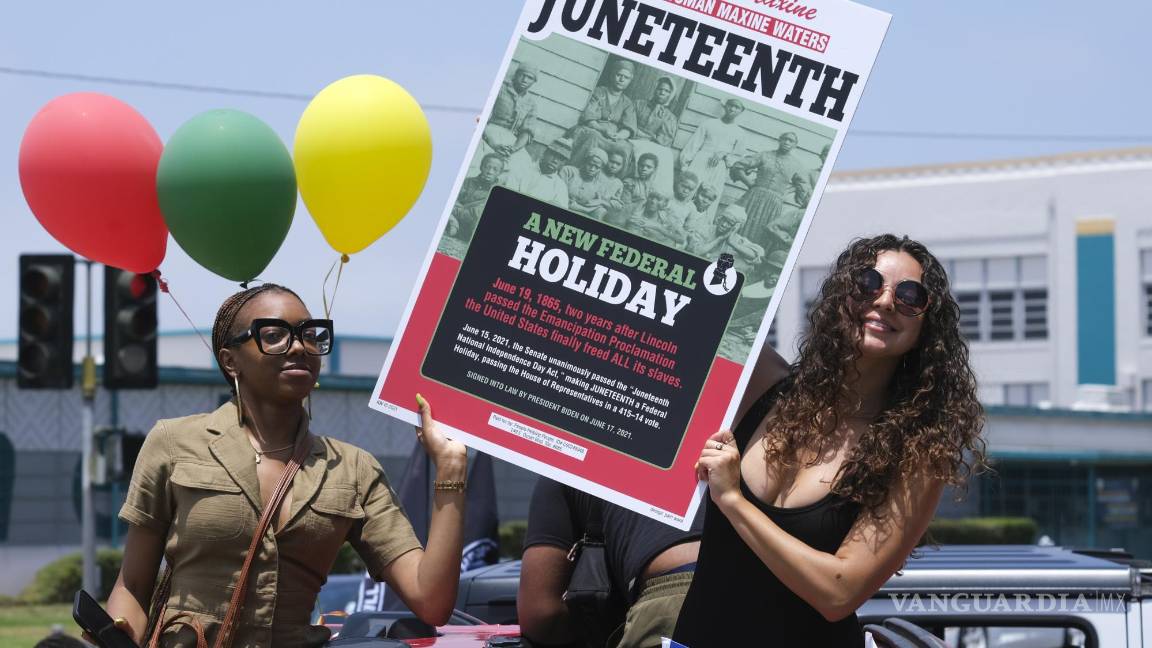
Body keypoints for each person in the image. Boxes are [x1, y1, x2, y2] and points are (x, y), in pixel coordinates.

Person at [107, 284, 469, 647]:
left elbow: (431, 600)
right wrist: (119, 632)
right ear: (230, 359)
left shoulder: (354, 469)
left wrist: (450, 469)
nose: (298, 346)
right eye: (275, 335)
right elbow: (133, 584)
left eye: (309, 335)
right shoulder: (173, 442)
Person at [674, 235, 986, 647]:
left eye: (910, 295)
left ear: (927, 325)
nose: (885, 301)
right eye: (868, 283)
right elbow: (688, 295)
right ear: (842, 295)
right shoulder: (762, 382)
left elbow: (838, 592)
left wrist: (732, 502)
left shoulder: (917, 454)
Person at [519, 478, 702, 648]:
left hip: (667, 606)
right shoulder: (722, 445)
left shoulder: (573, 454)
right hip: (728, 588)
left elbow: (541, 614)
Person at [731, 131, 807, 252]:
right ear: (780, 140)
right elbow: (738, 166)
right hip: (753, 197)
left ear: (795, 145)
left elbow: (803, 188)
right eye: (785, 139)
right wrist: (749, 182)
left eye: (791, 141)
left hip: (773, 204)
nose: (787, 142)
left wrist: (785, 193)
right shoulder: (765, 155)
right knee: (740, 225)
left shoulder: (796, 165)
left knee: (762, 233)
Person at [677, 98, 746, 224]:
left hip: (719, 167)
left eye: (737, 107)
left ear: (741, 111)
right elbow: (694, 144)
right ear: (725, 106)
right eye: (731, 105)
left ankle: (699, 225)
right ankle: (678, 219)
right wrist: (685, 165)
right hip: (700, 161)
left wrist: (724, 154)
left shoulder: (739, 133)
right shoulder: (709, 123)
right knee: (691, 190)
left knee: (710, 196)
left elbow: (738, 156)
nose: (732, 109)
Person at [471, 60, 540, 180]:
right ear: (516, 74)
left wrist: (513, 149)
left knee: (523, 165)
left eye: (530, 78)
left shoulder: (531, 103)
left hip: (511, 141)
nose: (525, 80)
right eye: (522, 75)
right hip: (487, 133)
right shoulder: (499, 88)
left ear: (533, 82)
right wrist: (493, 143)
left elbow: (527, 131)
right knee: (478, 159)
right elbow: (481, 119)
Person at [568, 59, 638, 169]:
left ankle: (611, 182)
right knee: (593, 137)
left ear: (630, 80)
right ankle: (574, 169)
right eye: (619, 75)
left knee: (626, 148)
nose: (621, 79)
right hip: (595, 130)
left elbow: (628, 128)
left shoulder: (627, 103)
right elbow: (589, 119)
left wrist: (619, 135)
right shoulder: (599, 92)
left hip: (613, 137)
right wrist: (603, 130)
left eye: (626, 77)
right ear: (612, 75)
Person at [686, 203, 764, 267]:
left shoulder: (736, 239)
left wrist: (732, 243)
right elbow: (695, 252)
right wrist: (719, 239)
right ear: (720, 218)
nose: (724, 224)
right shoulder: (705, 229)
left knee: (745, 264)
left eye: (730, 223)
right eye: (724, 220)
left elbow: (756, 255)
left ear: (735, 227)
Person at [449, 153, 504, 239]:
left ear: (499, 173)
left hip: (469, 227)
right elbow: (450, 200)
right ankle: (452, 222)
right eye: (487, 167)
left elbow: (477, 214)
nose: (490, 172)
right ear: (481, 167)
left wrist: (454, 210)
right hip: (454, 217)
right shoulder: (467, 181)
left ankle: (452, 222)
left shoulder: (498, 193)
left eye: (495, 169)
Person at [507, 137, 573, 209]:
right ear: (545, 153)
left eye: (560, 159)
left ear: (563, 164)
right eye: (553, 154)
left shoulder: (560, 187)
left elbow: (560, 213)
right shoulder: (523, 169)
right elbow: (509, 193)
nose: (555, 161)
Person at [559, 147, 620, 221]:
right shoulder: (569, 171)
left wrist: (601, 202)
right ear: (585, 161)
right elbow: (559, 195)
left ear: (601, 169)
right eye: (590, 164)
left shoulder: (599, 186)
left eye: (597, 167)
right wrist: (586, 209)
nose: (592, 169)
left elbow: (612, 205)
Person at [632, 76, 679, 146]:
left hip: (650, 146)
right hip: (630, 139)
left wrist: (647, 138)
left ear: (671, 95)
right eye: (660, 89)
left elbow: (664, 140)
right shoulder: (638, 104)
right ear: (655, 89)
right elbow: (628, 123)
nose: (662, 93)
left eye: (667, 91)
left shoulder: (670, 118)